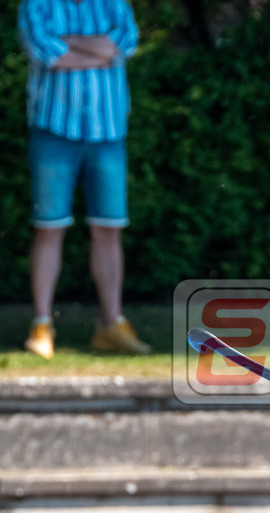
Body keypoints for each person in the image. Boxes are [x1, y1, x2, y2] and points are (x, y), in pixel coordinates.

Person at [17, 0, 151, 359]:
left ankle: (111, 324)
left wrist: (71, 42)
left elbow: (123, 46)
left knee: (109, 229)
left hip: (107, 133)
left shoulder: (114, 4)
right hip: (53, 132)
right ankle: (42, 324)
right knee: (49, 227)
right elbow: (48, 56)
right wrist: (99, 51)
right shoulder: (37, 5)